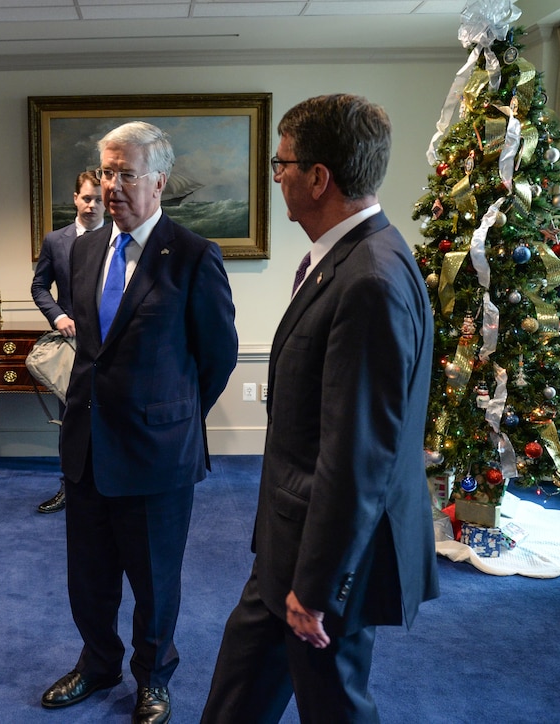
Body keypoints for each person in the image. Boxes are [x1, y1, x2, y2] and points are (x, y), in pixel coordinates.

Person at [201, 94, 439, 724]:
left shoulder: (370, 279)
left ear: (317, 177)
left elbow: (358, 455)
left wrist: (315, 588)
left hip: (324, 562)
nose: (275, 177)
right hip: (289, 544)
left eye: (281, 164)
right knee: (236, 696)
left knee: (335, 706)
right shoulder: (350, 257)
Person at [40, 122, 237, 724]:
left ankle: (153, 678)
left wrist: (172, 416)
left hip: (157, 455)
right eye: (106, 173)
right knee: (89, 579)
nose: (113, 187)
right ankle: (97, 664)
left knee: (155, 583)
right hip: (88, 449)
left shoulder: (195, 255)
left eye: (127, 174)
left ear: (158, 180)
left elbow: (218, 357)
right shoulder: (83, 250)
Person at [30, 170, 105, 514]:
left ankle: (107, 488)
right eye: (86, 198)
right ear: (75, 198)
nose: (92, 205)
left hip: (110, 344)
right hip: (71, 345)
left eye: (99, 199)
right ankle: (69, 488)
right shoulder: (55, 241)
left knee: (110, 414)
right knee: (71, 418)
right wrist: (58, 316)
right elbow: (39, 286)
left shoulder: (119, 239)